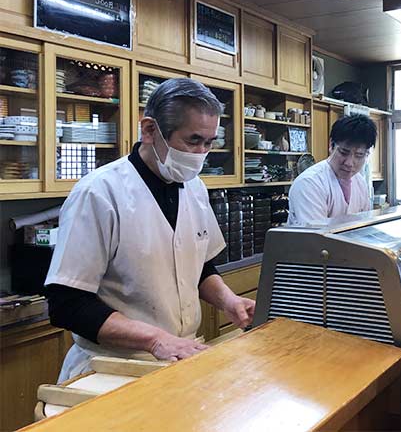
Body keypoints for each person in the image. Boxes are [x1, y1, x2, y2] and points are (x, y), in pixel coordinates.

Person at [45, 78, 255, 382]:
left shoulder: (194, 188)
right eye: (193, 141)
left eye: (209, 143)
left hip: (180, 357)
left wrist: (229, 301)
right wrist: (155, 339)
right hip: (112, 367)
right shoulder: (99, 192)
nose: (201, 153)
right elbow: (67, 304)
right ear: (149, 130)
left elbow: (199, 266)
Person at [288, 113, 376, 226]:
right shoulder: (309, 183)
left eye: (359, 155)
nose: (349, 163)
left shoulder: (360, 182)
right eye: (344, 152)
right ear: (331, 145)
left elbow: (365, 227)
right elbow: (315, 238)